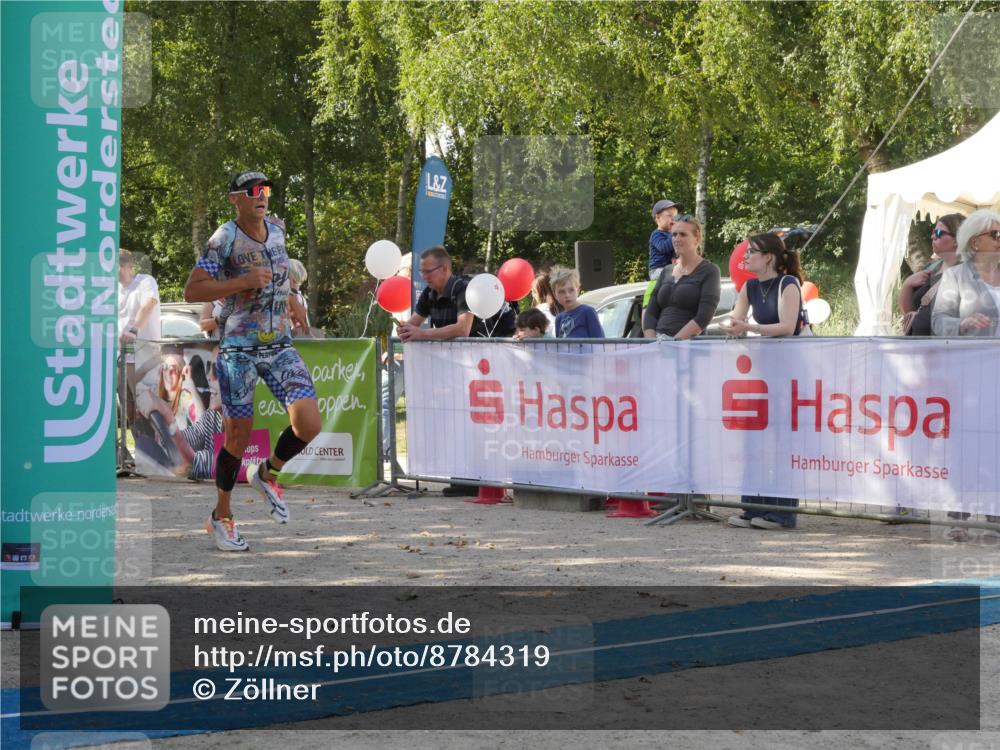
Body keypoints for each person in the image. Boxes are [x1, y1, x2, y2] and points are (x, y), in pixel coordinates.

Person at [184, 170, 319, 552]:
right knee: (237, 439)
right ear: (235, 199)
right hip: (238, 350)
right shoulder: (224, 238)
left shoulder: (277, 229)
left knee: (309, 423)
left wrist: (292, 304)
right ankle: (221, 515)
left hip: (279, 345)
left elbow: (281, 278)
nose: (261, 196)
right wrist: (241, 282)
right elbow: (193, 289)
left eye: (265, 189)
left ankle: (268, 472)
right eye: (252, 191)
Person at [397, 245, 514, 495]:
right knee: (455, 421)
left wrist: (421, 334)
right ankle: (461, 478)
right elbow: (414, 323)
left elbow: (462, 329)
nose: (424, 277)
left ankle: (476, 480)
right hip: (452, 371)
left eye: (428, 271)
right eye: (422, 272)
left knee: (474, 424)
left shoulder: (462, 289)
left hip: (479, 367)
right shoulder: (429, 293)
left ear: (445, 268)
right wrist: (404, 329)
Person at [720, 233, 807, 530]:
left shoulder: (788, 285)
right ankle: (752, 507)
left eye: (751, 253)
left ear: (768, 256)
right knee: (754, 441)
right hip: (762, 375)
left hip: (788, 373)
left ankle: (782, 514)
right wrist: (731, 327)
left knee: (782, 443)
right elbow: (736, 319)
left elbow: (787, 326)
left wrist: (750, 327)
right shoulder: (749, 286)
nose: (745, 258)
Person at [931, 208, 1000, 541]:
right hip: (970, 377)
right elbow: (937, 322)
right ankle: (958, 516)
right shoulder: (956, 276)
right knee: (965, 444)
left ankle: (994, 513)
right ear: (976, 241)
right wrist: (963, 323)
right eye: (996, 235)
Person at [642, 215, 721, 340]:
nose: (677, 239)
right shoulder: (666, 271)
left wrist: (673, 344)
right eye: (674, 235)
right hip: (659, 345)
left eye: (683, 234)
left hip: (690, 349)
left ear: (697, 238)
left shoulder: (710, 271)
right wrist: (652, 343)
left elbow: (703, 317)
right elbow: (651, 313)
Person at [118, 249, 161, 434]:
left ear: (130, 267)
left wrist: (134, 329)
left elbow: (149, 304)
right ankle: (140, 452)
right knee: (129, 409)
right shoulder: (110, 291)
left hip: (146, 358)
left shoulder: (145, 282)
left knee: (148, 408)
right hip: (121, 358)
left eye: (119, 266)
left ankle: (157, 452)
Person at [900, 214, 965, 336]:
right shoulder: (931, 267)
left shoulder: (967, 273)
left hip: (943, 349)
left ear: (957, 240)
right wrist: (907, 284)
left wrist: (921, 318)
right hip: (918, 347)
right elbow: (908, 316)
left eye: (939, 233)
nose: (932, 236)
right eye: (933, 232)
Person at [550, 266, 604, 338]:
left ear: (578, 290)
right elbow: (559, 346)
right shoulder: (559, 318)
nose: (567, 295)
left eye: (571, 290)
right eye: (561, 292)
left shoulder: (587, 312)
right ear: (555, 295)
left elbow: (600, 342)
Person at [648, 199, 682, 280]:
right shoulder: (656, 234)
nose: (673, 219)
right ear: (658, 218)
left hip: (670, 268)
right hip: (657, 271)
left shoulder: (672, 234)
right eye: (670, 215)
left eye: (675, 216)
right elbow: (664, 247)